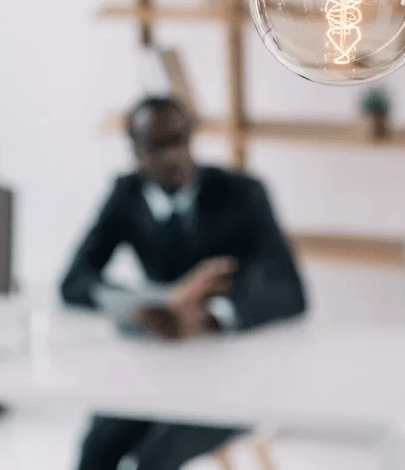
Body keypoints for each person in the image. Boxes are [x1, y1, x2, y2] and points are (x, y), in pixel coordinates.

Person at [60, 96, 308, 470]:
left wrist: (207, 317)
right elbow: (75, 281)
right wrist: (146, 304)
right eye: (157, 146)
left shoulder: (243, 193)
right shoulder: (127, 196)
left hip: (233, 380)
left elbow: (291, 290)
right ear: (136, 152)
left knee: (153, 461)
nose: (173, 155)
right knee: (96, 450)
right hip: (156, 369)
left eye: (180, 141)